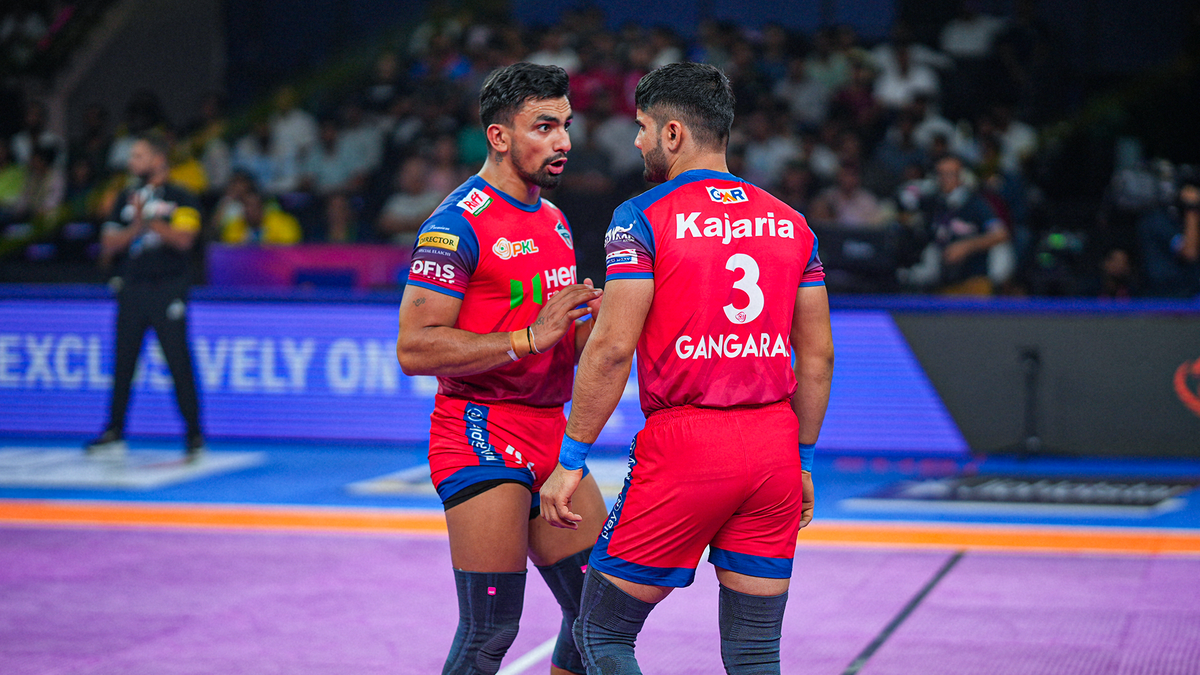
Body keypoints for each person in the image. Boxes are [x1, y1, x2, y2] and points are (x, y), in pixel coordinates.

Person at [540, 62, 835, 674]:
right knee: (754, 654)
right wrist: (803, 459)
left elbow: (611, 349)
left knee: (600, 632)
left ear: (673, 133)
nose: (637, 142)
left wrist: (571, 459)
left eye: (643, 128)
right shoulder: (792, 223)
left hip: (688, 446)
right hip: (775, 447)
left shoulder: (642, 216)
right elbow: (818, 357)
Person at [395, 63, 607, 675]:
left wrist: (597, 325)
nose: (562, 141)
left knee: (600, 614)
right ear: (499, 136)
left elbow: (562, 343)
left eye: (565, 125)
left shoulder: (555, 220)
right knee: (490, 628)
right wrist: (528, 337)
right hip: (480, 430)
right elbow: (414, 348)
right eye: (544, 126)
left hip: (549, 430)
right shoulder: (455, 223)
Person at [85, 132, 207, 461]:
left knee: (178, 361)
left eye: (138, 156)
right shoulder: (125, 197)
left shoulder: (182, 197)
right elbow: (109, 244)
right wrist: (136, 226)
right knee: (123, 362)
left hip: (168, 288)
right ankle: (114, 430)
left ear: (158, 159)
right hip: (132, 289)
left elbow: (184, 240)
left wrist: (149, 221)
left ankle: (194, 433)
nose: (131, 162)